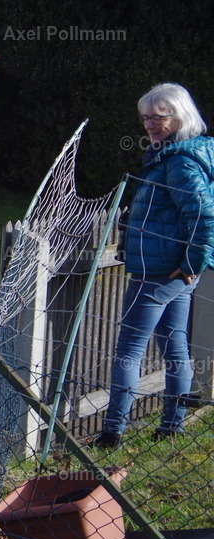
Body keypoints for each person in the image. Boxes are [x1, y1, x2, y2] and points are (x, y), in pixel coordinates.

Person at [92, 83, 214, 449]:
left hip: (160, 272)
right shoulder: (177, 155)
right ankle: (171, 427)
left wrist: (190, 263)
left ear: (179, 117)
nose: (150, 124)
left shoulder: (178, 162)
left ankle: (112, 432)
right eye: (145, 118)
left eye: (158, 117)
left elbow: (204, 215)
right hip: (171, 271)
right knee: (175, 346)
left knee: (129, 348)